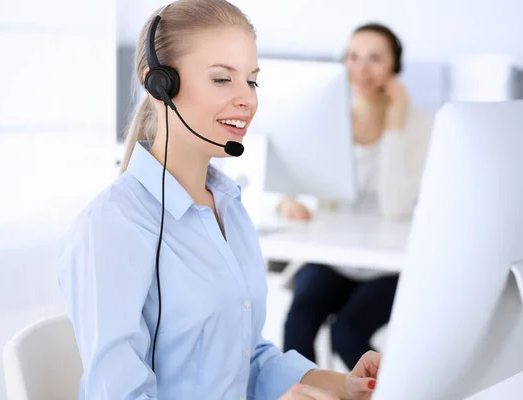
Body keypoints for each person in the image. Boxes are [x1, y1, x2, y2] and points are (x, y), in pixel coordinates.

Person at [57, 1, 383, 399]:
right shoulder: (113, 226)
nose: (247, 99)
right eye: (222, 79)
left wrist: (343, 384)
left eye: (252, 81)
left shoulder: (228, 207)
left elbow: (247, 359)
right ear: (160, 86)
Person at [281, 23, 433, 370]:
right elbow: (295, 177)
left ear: (394, 67)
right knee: (298, 325)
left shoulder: (418, 125)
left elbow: (396, 207)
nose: (361, 69)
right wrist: (286, 200)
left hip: (389, 265)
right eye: (353, 57)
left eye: (375, 59)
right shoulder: (330, 119)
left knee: (348, 334)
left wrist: (393, 125)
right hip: (335, 257)